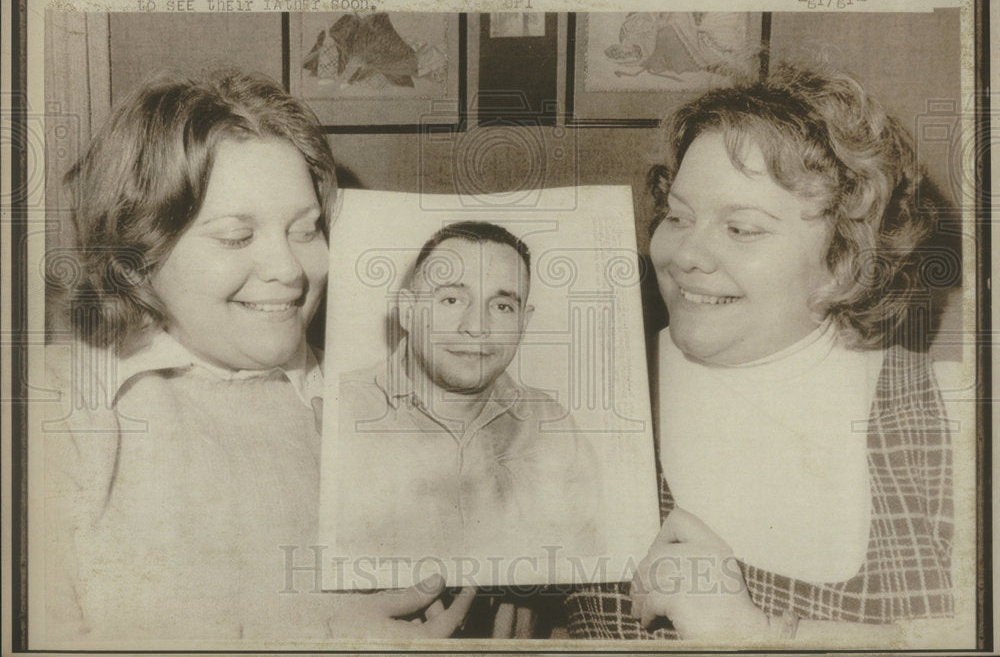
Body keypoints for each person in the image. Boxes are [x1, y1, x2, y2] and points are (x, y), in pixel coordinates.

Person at [39, 70, 474, 646]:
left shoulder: (372, 395)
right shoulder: (55, 405)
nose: (291, 270)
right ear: (137, 254)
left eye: (306, 229)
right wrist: (312, 637)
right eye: (236, 237)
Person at [565, 65, 954, 643]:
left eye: (741, 229)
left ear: (848, 254)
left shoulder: (952, 412)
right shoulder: (587, 395)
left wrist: (762, 633)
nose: (684, 254)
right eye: (678, 215)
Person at [335, 221, 597, 564]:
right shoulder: (338, 412)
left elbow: (592, 568)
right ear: (408, 310)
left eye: (502, 306)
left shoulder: (553, 425)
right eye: (452, 299)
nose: (476, 327)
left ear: (524, 321)